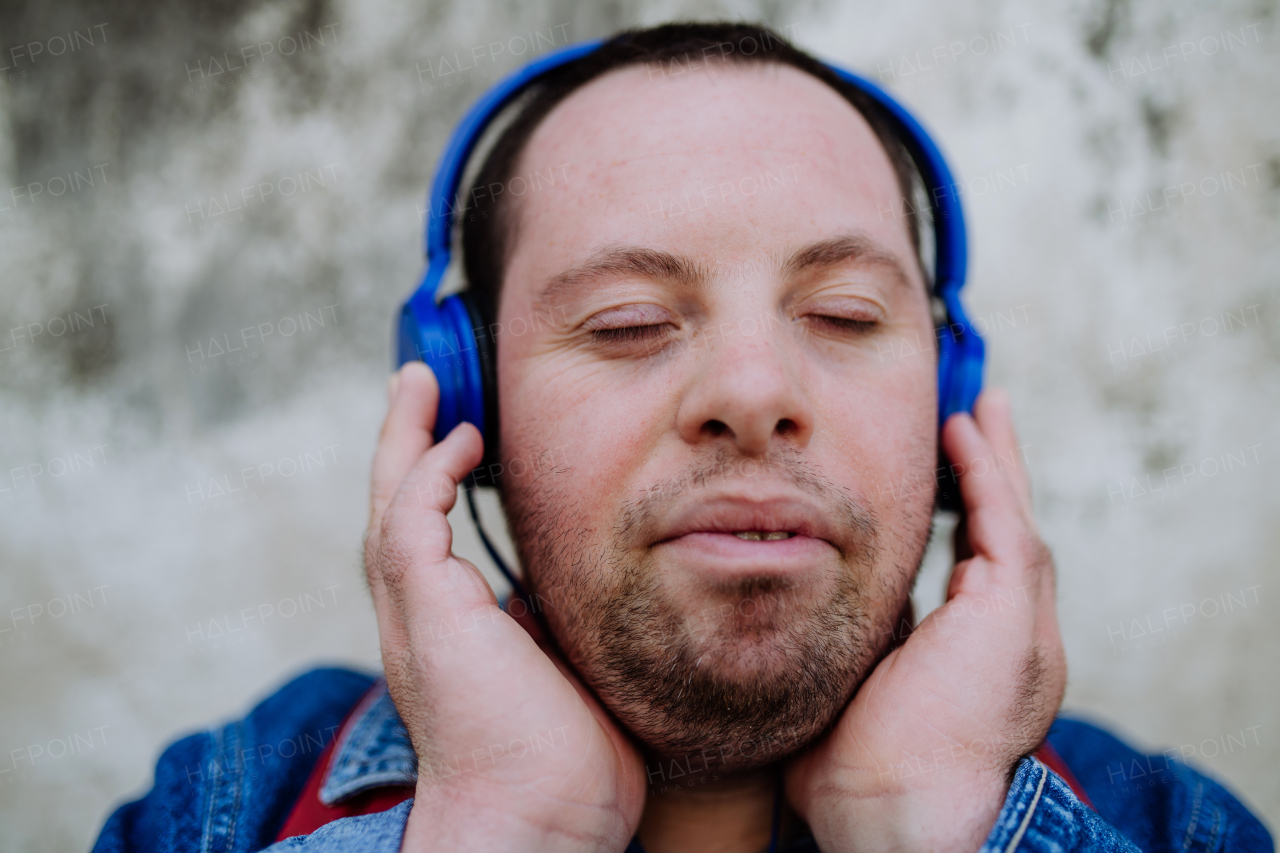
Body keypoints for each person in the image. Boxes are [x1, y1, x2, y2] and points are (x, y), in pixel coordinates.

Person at [92, 22, 1272, 853]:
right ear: (467, 402)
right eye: (628, 322)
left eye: (843, 314)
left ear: (948, 393)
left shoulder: (1179, 828)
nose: (751, 390)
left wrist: (939, 831)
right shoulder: (222, 809)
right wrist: (501, 832)